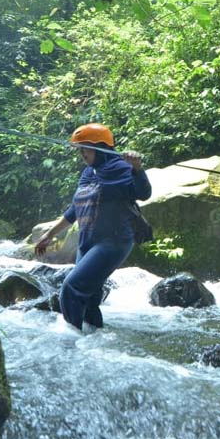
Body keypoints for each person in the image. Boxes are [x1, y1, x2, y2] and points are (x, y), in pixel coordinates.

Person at [34, 123, 151, 331]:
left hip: (113, 242)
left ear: (100, 148)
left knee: (71, 288)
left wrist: (137, 169)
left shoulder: (122, 168)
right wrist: (50, 235)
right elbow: (74, 210)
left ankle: (69, 340)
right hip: (87, 242)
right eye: (79, 149)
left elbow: (143, 193)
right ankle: (94, 342)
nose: (81, 153)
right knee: (88, 299)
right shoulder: (89, 172)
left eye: (85, 148)